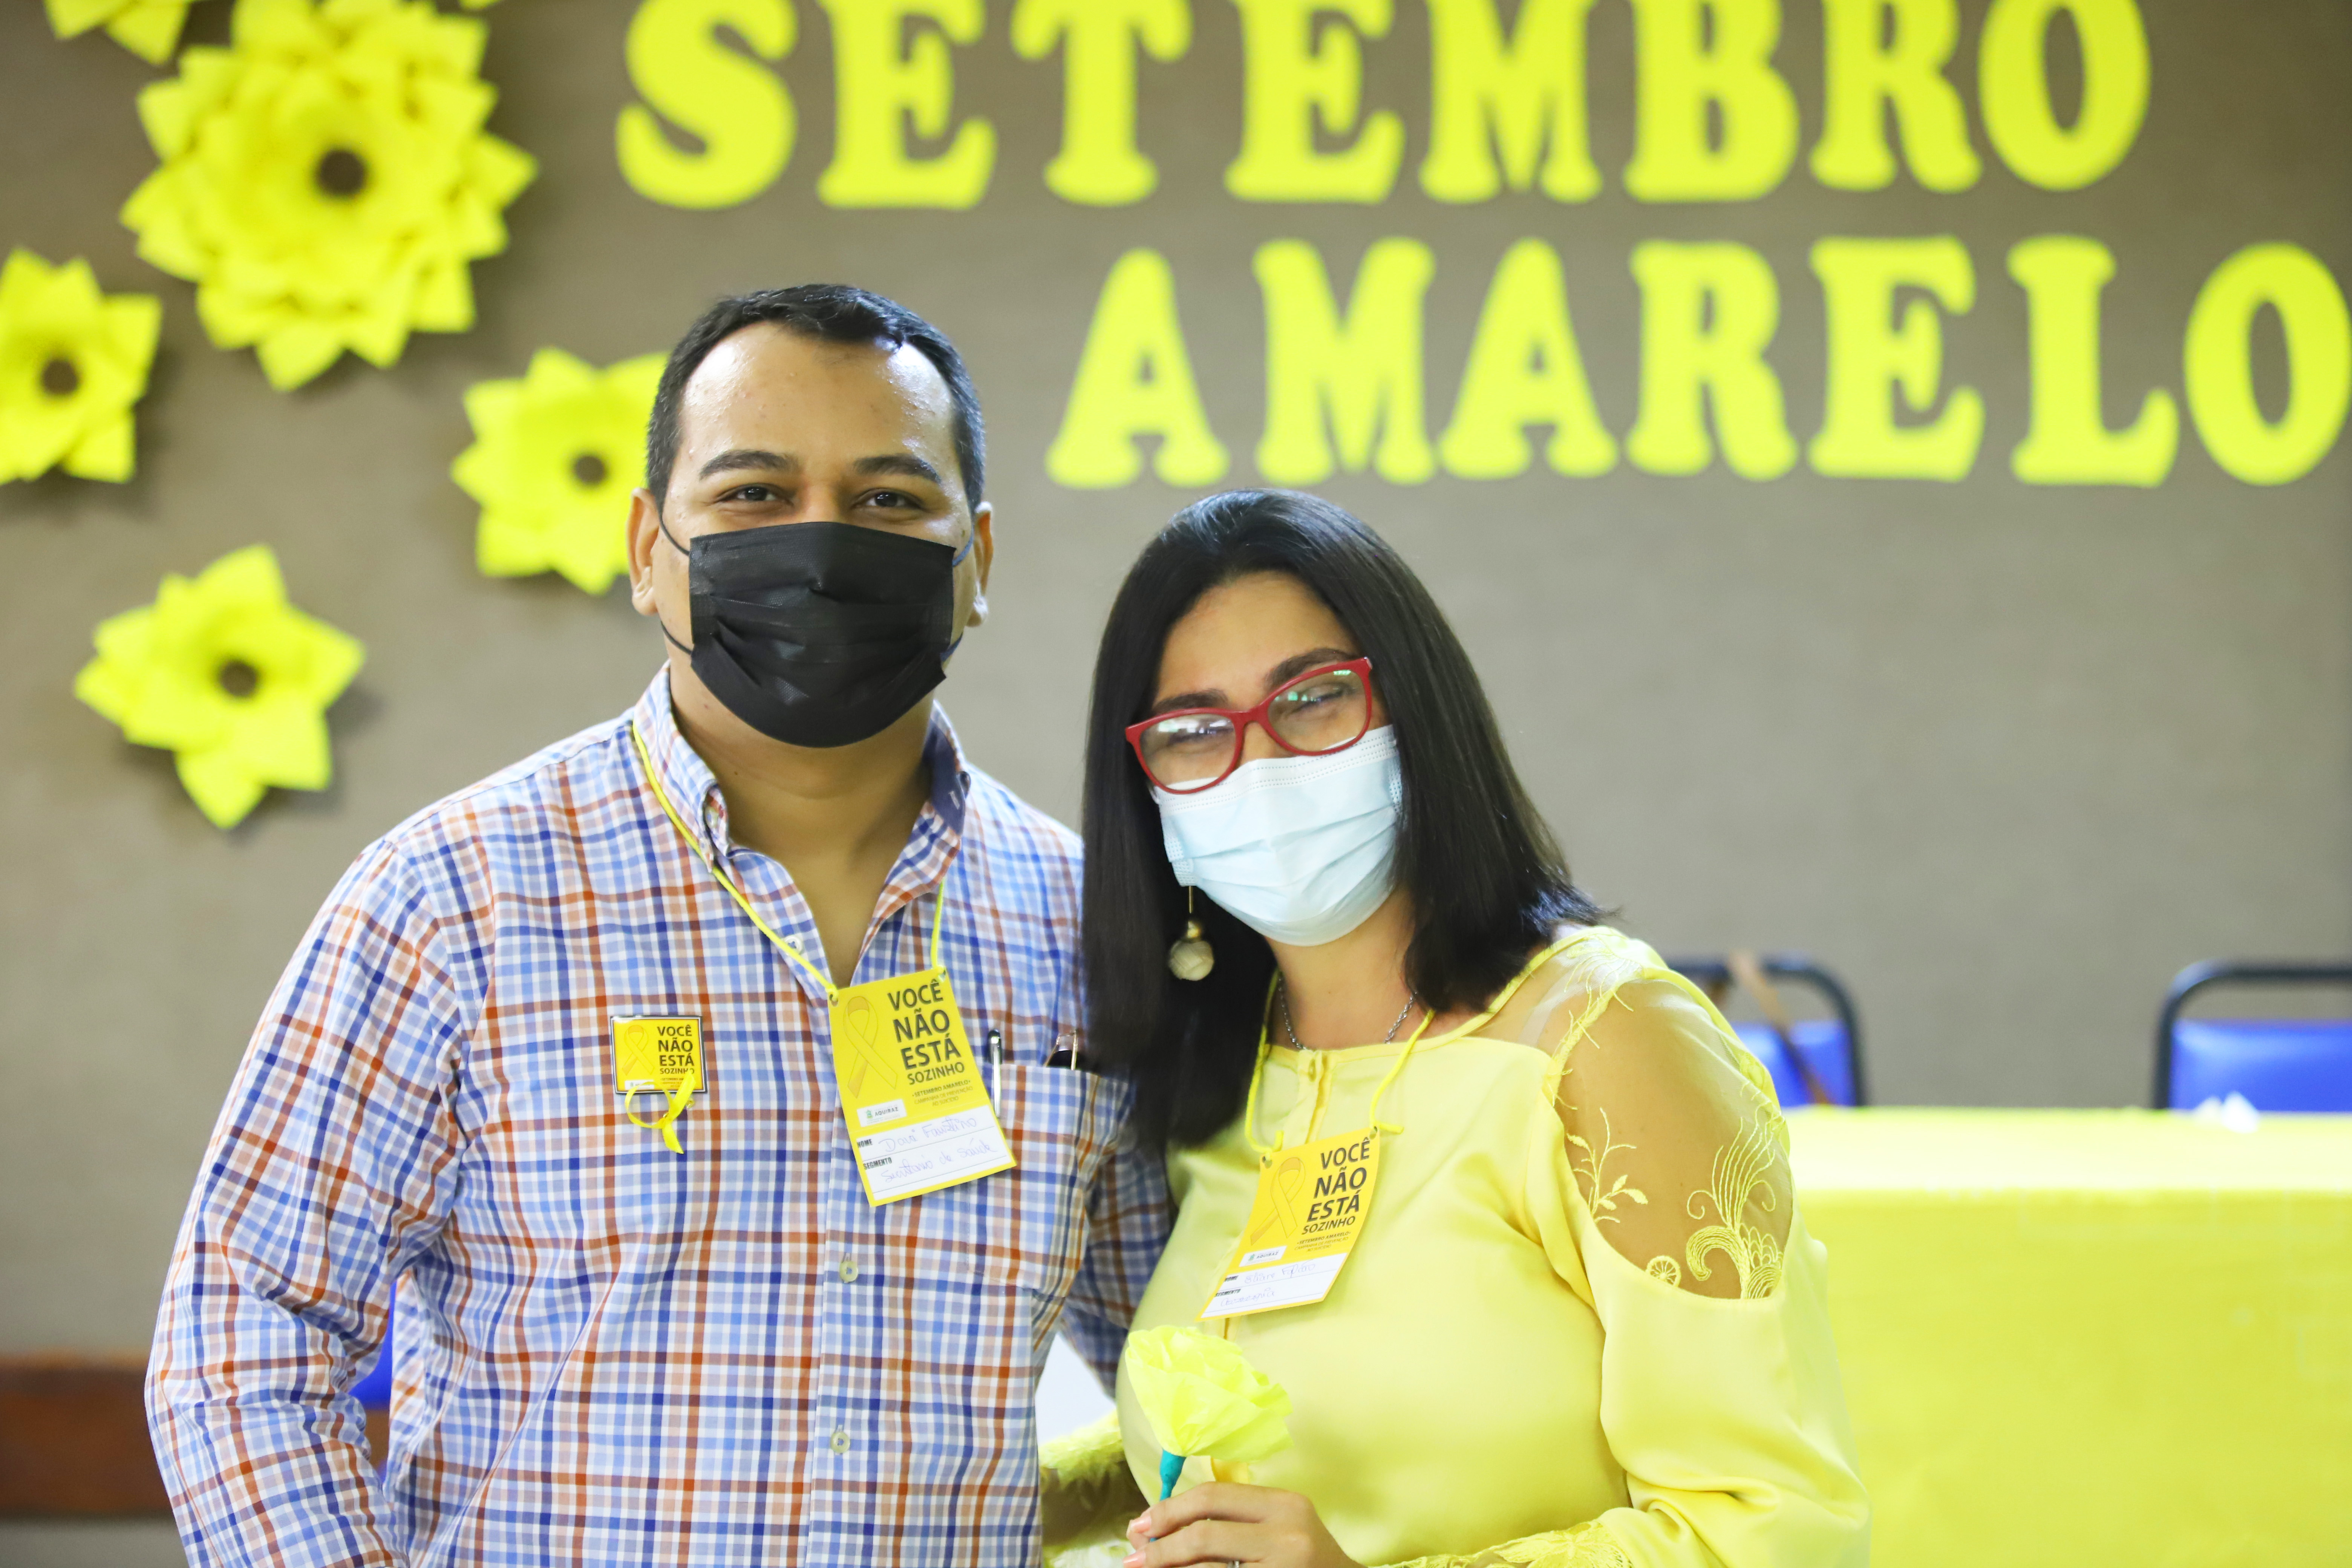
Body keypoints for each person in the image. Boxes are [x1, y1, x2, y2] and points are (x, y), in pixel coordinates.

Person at [146, 285, 1169, 1567]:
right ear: (647, 549)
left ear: (980, 562)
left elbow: (1177, 1362)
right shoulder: (454, 899)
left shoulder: (1087, 927)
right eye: (754, 493)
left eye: (888, 501)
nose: (820, 545)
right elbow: (244, 1340)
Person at [1046, 490, 1868, 1568]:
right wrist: (1019, 1493)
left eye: (1316, 698)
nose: (1264, 767)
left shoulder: (1603, 1041)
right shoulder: (1230, 1063)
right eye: (1194, 731)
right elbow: (1275, 1434)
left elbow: (1779, 1528)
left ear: (1417, 713)